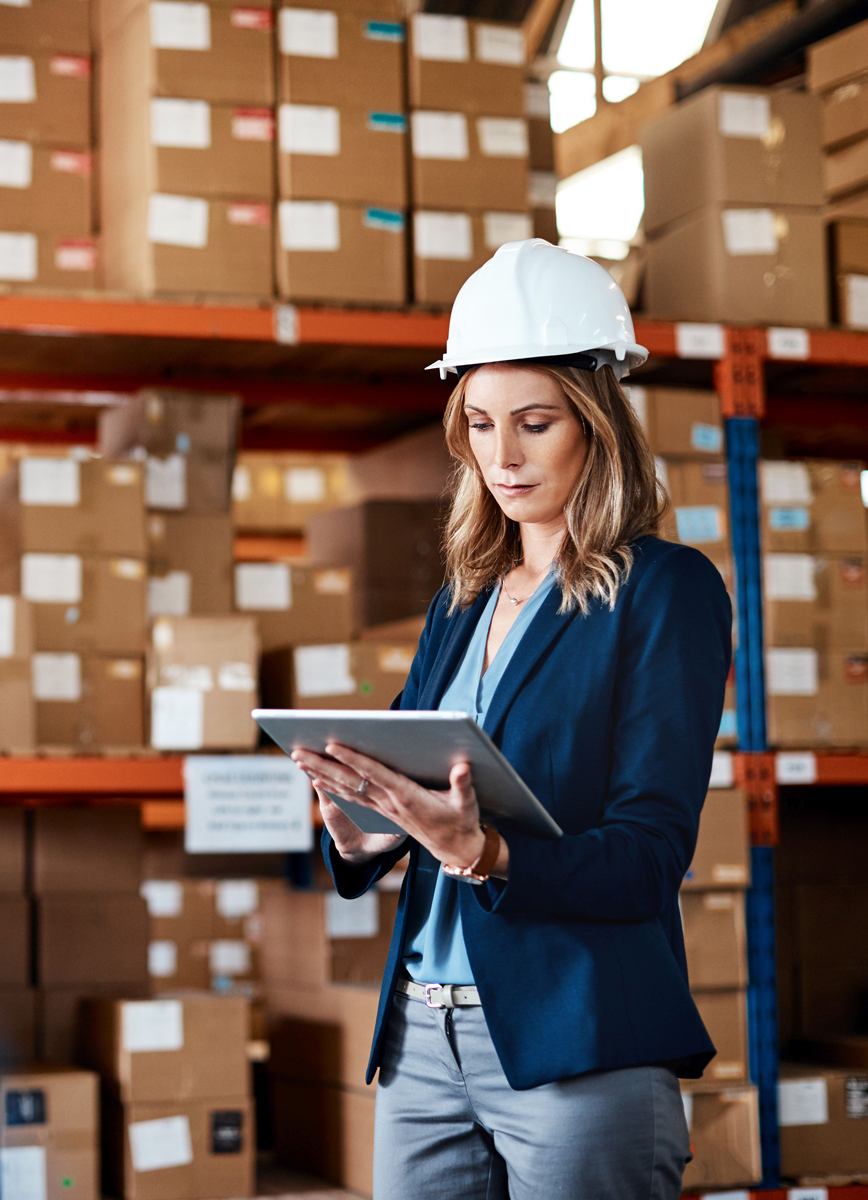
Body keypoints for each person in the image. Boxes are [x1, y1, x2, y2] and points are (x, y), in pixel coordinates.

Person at [289, 239, 732, 1200]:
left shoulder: (665, 591)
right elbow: (422, 787)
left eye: (534, 423)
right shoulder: (466, 598)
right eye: (481, 426)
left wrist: (486, 854)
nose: (503, 455)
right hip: (421, 1034)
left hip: (574, 1038)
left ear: (598, 425)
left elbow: (651, 853)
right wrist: (365, 826)